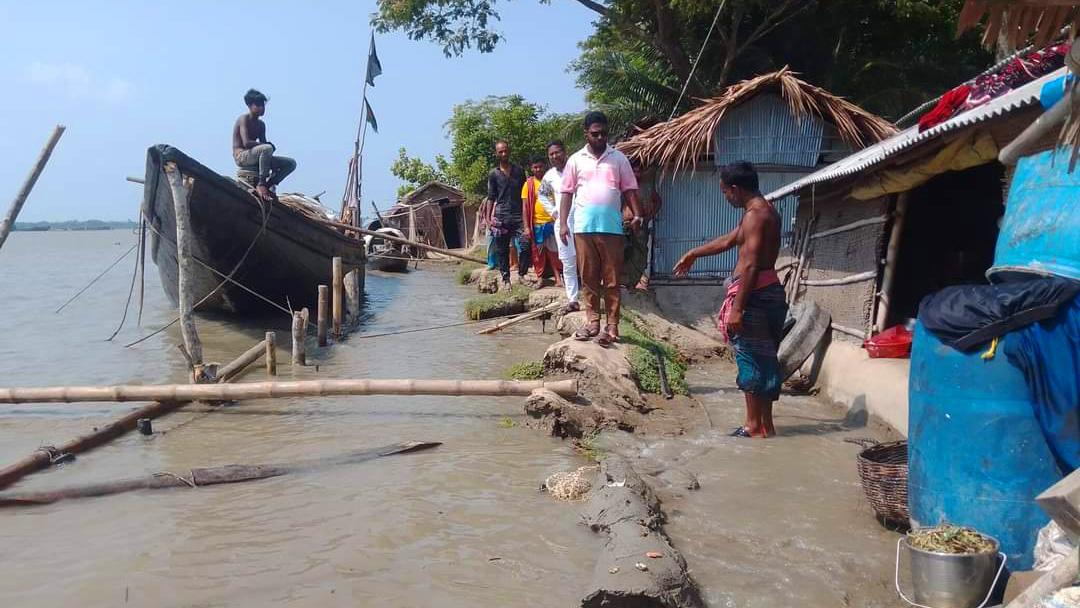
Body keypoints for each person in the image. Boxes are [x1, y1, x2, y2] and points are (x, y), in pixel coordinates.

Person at [673, 161, 786, 438]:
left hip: (754, 298)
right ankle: (766, 427)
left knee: (750, 359)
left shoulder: (754, 216)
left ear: (735, 189)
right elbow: (729, 240)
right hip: (770, 293)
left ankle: (752, 426)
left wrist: (737, 309)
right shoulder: (765, 211)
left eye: (725, 192)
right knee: (767, 358)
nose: (725, 197)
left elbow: (749, 265)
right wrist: (694, 253)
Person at [559, 111, 642, 347]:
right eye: (595, 134)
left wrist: (637, 214)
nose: (600, 137)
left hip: (612, 228)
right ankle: (592, 322)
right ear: (586, 133)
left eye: (604, 133)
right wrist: (564, 223)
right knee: (588, 277)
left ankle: (612, 326)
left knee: (612, 279)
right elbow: (566, 193)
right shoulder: (575, 160)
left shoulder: (618, 159)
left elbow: (629, 189)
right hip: (583, 227)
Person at [232, 89, 296, 201]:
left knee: (290, 163)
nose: (261, 108)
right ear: (250, 105)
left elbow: (264, 147)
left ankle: (267, 185)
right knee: (266, 148)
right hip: (242, 156)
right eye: (258, 105)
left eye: (263, 105)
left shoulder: (261, 125)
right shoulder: (244, 119)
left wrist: (269, 146)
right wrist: (266, 146)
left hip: (255, 156)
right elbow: (247, 143)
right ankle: (261, 183)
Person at [540, 140, 580, 312]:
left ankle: (594, 296)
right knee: (568, 261)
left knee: (588, 258)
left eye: (557, 152)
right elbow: (542, 195)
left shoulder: (577, 168)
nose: (555, 156)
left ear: (565, 152)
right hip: (562, 224)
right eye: (551, 154)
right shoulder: (549, 176)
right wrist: (554, 213)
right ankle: (573, 300)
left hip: (583, 220)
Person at [486, 140, 528, 291]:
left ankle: (522, 275)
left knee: (525, 244)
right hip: (501, 216)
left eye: (505, 151)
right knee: (502, 249)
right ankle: (506, 279)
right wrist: (488, 218)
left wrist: (527, 215)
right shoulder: (493, 174)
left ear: (509, 151)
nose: (504, 154)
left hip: (518, 215)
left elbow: (525, 194)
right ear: (496, 154)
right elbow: (491, 197)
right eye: (500, 151)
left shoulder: (519, 171)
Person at [622, 157, 663, 290]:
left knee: (639, 253)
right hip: (624, 226)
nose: (636, 174)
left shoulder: (646, 187)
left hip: (640, 226)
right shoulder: (623, 186)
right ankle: (624, 280)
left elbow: (658, 201)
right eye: (633, 171)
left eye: (638, 171)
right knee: (624, 252)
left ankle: (636, 280)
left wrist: (649, 216)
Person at [523, 156, 562, 289]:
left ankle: (558, 278)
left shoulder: (551, 179)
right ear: (531, 169)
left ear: (544, 166)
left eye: (540, 166)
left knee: (554, 251)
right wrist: (526, 226)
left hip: (553, 221)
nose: (538, 169)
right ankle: (540, 278)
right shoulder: (529, 184)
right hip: (537, 223)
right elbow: (525, 206)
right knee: (538, 253)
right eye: (535, 167)